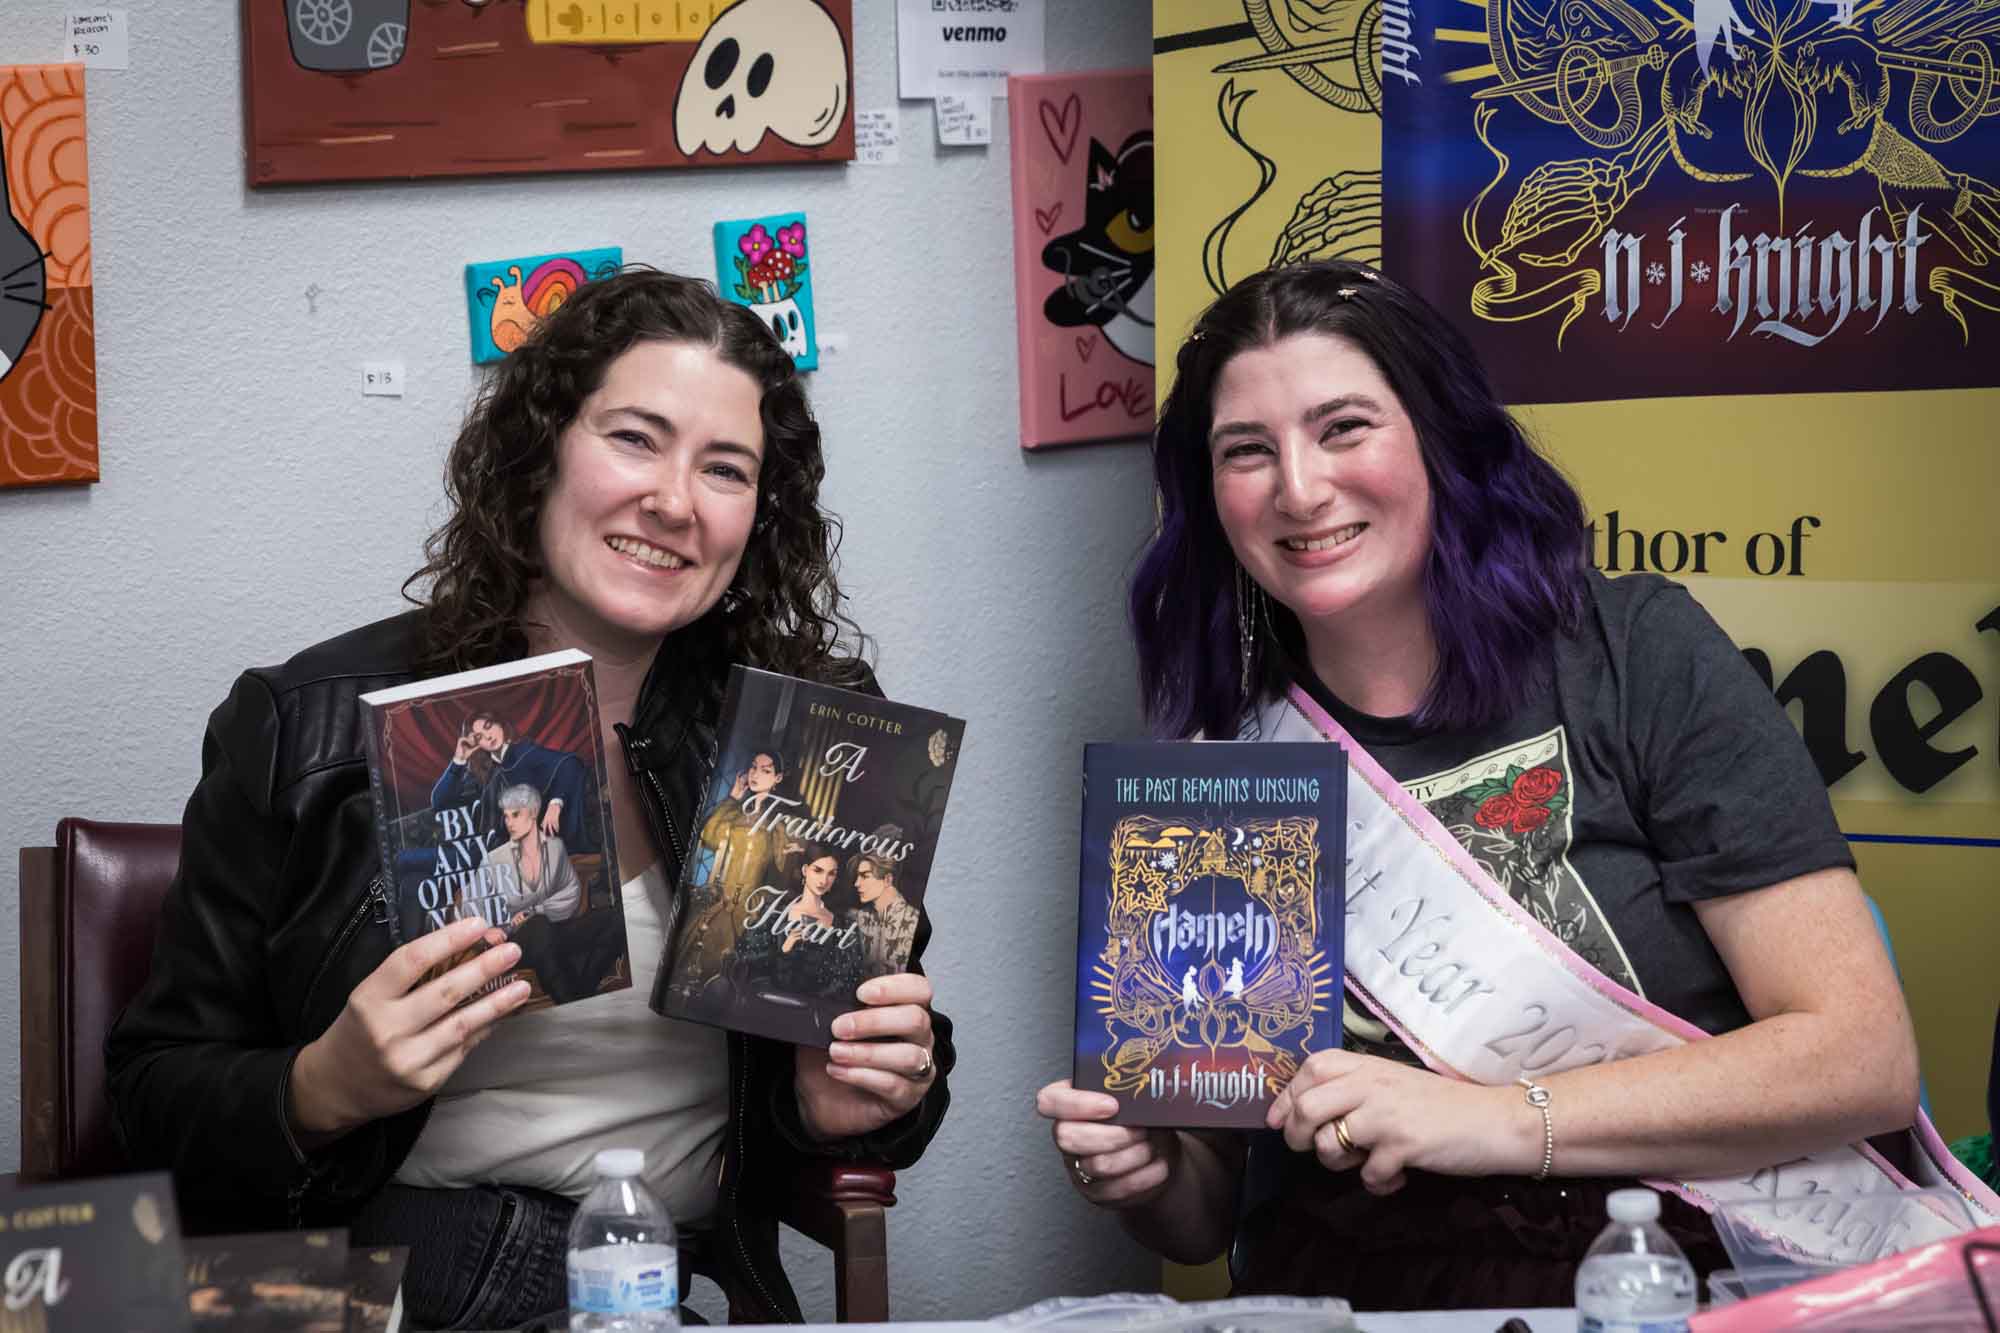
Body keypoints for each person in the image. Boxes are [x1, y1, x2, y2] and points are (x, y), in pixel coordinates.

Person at [1036, 260, 1923, 1308]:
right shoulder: (1219, 771)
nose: (1299, 486)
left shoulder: (1632, 654)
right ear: (1209, 495)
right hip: (1359, 1296)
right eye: (1246, 451)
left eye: (1343, 427)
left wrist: (1497, 1117)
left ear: (1439, 438)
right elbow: (1198, 1219)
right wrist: (1146, 1172)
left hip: (1670, 1274)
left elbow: (1859, 1058)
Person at [108, 269, 952, 1328]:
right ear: (541, 450)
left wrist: (845, 1108)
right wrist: (325, 1085)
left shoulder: (807, 739)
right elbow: (149, 1098)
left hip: (646, 1279)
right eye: (634, 439)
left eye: (725, 468)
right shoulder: (305, 725)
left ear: (757, 516)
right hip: (390, 1269)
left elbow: (890, 1069)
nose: (673, 500)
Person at [433, 711, 598, 854]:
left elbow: (570, 764)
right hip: (472, 847)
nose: (488, 736)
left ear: (500, 724)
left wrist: (556, 804)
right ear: (477, 744)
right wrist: (459, 759)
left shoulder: (523, 752)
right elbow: (439, 802)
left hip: (495, 852)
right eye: (479, 737)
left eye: (489, 726)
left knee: (408, 864)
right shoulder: (484, 772)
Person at [848, 844, 920, 978]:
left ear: (887, 880)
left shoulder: (914, 920)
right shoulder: (860, 917)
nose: (856, 883)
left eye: (865, 876)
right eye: (857, 876)